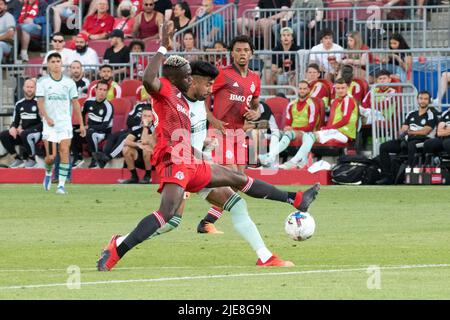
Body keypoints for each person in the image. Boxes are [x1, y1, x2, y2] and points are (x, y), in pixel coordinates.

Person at [96, 22, 320, 271]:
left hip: (192, 159)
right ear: (188, 81)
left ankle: (291, 209)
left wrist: (205, 153)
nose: (210, 89)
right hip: (173, 159)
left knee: (237, 186)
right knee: (168, 217)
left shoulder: (191, 99)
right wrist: (162, 47)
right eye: (206, 84)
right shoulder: (167, 92)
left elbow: (187, 103)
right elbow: (152, 78)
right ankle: (117, 248)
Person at [282, 78, 359, 170]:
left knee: (310, 137)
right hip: (335, 131)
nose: (340, 90)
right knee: (308, 136)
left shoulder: (348, 100)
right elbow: (331, 119)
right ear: (335, 89)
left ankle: (294, 162)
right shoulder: (335, 101)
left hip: (344, 133)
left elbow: (345, 119)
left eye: (343, 88)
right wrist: (327, 127)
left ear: (347, 88)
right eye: (338, 88)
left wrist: (328, 128)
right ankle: (302, 162)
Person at [37, 52, 86, 194]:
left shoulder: (69, 83)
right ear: (48, 65)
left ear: (62, 64)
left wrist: (81, 123)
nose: (56, 64)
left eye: (58, 61)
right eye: (53, 61)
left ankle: (61, 186)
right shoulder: (42, 82)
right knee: (51, 157)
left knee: (64, 152)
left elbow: (76, 104)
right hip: (50, 125)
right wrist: (47, 118)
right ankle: (47, 172)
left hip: (64, 124)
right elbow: (40, 103)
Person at [376, 91, 438, 185]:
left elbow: (426, 131)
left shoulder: (431, 114)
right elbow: (403, 128)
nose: (423, 101)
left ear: (429, 101)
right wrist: (406, 132)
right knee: (384, 147)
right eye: (421, 98)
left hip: (422, 140)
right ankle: (387, 177)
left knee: (411, 145)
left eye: (425, 99)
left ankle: (410, 175)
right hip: (407, 138)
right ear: (417, 99)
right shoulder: (411, 113)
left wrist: (411, 132)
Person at [259, 81, 321, 169]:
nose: (302, 91)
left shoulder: (312, 105)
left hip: (306, 133)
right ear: (297, 90)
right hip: (293, 131)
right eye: (300, 89)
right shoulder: (291, 104)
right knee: (276, 132)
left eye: (304, 89)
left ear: (309, 90)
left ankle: (269, 156)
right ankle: (271, 161)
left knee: (289, 133)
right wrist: (287, 128)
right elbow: (287, 123)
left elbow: (311, 126)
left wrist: (292, 128)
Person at [92, 86, 152, 169]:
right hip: (131, 129)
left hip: (143, 131)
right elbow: (129, 120)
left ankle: (108, 157)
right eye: (149, 93)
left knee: (124, 138)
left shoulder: (155, 107)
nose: (150, 95)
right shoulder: (139, 105)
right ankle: (104, 156)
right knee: (114, 135)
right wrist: (139, 122)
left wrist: (140, 122)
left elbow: (149, 123)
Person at [0, 78, 42, 168]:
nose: (29, 89)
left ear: (35, 89)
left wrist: (26, 130)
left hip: (37, 132)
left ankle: (32, 159)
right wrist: (12, 127)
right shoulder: (19, 104)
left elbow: (43, 123)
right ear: (23, 88)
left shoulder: (39, 103)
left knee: (25, 134)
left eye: (32, 87)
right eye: (27, 87)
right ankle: (17, 159)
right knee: (4, 135)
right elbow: (15, 121)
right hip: (23, 133)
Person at [73, 80, 114, 168]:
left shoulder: (108, 106)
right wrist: (82, 125)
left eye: (104, 90)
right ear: (95, 90)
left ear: (107, 92)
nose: (102, 92)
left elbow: (104, 126)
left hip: (102, 133)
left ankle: (94, 159)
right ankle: (78, 158)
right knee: (72, 131)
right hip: (89, 130)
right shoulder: (88, 102)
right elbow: (82, 114)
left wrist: (88, 127)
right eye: (100, 89)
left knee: (90, 133)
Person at [119, 105, 154, 184]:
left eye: (149, 116)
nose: (146, 118)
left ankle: (148, 176)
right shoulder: (137, 129)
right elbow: (126, 141)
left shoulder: (155, 129)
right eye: (144, 116)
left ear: (153, 118)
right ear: (141, 117)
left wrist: (146, 127)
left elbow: (144, 141)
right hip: (141, 159)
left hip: (154, 161)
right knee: (126, 149)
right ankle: (134, 176)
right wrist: (138, 145)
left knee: (146, 148)